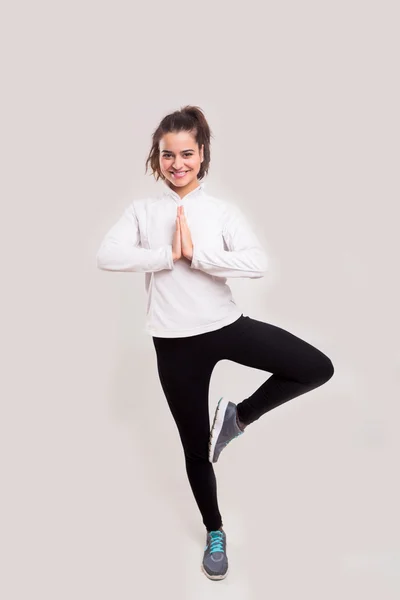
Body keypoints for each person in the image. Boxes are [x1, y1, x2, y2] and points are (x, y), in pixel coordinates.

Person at [96, 105, 334, 581]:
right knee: (194, 449)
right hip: (174, 345)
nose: (177, 163)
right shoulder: (143, 212)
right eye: (168, 155)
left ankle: (238, 417)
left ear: (202, 154)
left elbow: (256, 262)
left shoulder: (222, 212)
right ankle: (215, 530)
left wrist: (198, 255)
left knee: (315, 367)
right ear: (157, 157)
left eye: (187, 153)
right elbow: (107, 254)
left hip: (226, 325)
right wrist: (167, 253)